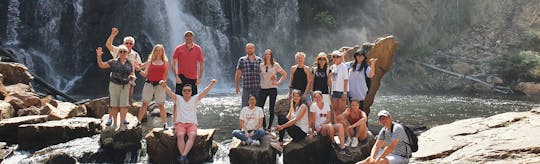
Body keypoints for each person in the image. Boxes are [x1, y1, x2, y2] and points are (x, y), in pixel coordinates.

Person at [161, 79, 217, 164]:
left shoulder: (195, 99)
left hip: (191, 124)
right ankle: (184, 157)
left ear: (191, 92)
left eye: (189, 90)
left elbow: (205, 92)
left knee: (192, 135)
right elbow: (170, 92)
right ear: (182, 91)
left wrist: (211, 84)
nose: (187, 92)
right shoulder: (178, 98)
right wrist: (164, 86)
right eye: (185, 90)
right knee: (180, 135)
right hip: (180, 124)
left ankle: (183, 156)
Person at [96, 46, 135, 131]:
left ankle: (122, 124)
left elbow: (131, 73)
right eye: (121, 51)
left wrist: (132, 77)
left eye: (124, 51)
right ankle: (114, 123)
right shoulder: (113, 62)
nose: (123, 53)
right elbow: (101, 65)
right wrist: (99, 56)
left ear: (127, 53)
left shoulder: (129, 63)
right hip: (114, 84)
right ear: (118, 52)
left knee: (124, 105)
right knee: (114, 105)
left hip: (126, 85)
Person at [105, 27, 142, 103]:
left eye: (130, 43)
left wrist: (149, 62)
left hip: (130, 80)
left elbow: (139, 66)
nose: (128, 45)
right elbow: (108, 45)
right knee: (114, 99)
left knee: (128, 100)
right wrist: (112, 35)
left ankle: (125, 114)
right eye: (127, 43)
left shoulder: (135, 54)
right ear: (123, 43)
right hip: (116, 78)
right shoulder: (118, 50)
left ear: (133, 45)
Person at [137, 44, 168, 128]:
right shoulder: (149, 62)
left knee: (161, 105)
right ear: (154, 51)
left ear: (162, 52)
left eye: (160, 50)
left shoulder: (165, 62)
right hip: (149, 84)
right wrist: (139, 70)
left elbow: (165, 74)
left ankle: (165, 123)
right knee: (144, 104)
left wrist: (164, 81)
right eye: (156, 50)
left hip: (160, 85)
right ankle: (138, 121)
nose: (158, 52)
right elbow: (145, 74)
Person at [258, 49, 287, 130]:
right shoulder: (261, 65)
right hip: (263, 88)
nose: (267, 56)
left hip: (272, 88)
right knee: (260, 107)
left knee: (271, 108)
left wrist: (278, 82)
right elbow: (256, 74)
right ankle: (263, 126)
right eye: (266, 54)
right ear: (264, 56)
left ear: (271, 55)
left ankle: (269, 127)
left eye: (269, 54)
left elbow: (284, 74)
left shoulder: (275, 65)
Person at [172, 31, 204, 95]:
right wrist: (176, 77)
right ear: (184, 37)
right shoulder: (178, 48)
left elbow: (201, 64)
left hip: (193, 77)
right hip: (181, 77)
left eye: (190, 35)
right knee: (178, 99)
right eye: (187, 36)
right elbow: (173, 64)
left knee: (193, 99)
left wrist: (200, 78)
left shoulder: (198, 49)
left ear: (193, 37)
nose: (188, 37)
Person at [348, 49, 377, 115]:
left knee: (360, 110)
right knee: (351, 111)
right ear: (355, 56)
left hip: (360, 93)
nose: (359, 56)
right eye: (358, 55)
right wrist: (342, 56)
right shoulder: (350, 64)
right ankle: (353, 124)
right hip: (351, 92)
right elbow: (342, 65)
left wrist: (373, 64)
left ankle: (362, 124)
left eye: (361, 55)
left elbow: (371, 75)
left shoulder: (366, 67)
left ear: (364, 56)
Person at [235, 43, 263, 107]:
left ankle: (259, 117)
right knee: (245, 105)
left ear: (254, 49)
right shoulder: (242, 60)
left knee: (258, 105)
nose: (249, 50)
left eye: (251, 48)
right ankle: (244, 117)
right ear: (246, 50)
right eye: (248, 48)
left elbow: (264, 72)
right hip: (246, 86)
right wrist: (237, 86)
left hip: (257, 87)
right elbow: (238, 73)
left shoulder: (259, 60)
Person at [330, 50, 349, 116]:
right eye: (334, 56)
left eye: (337, 56)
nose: (335, 58)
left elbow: (346, 80)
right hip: (334, 91)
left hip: (341, 91)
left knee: (341, 111)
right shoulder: (333, 67)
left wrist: (345, 92)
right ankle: (337, 125)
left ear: (340, 57)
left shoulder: (343, 66)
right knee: (335, 110)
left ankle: (343, 126)